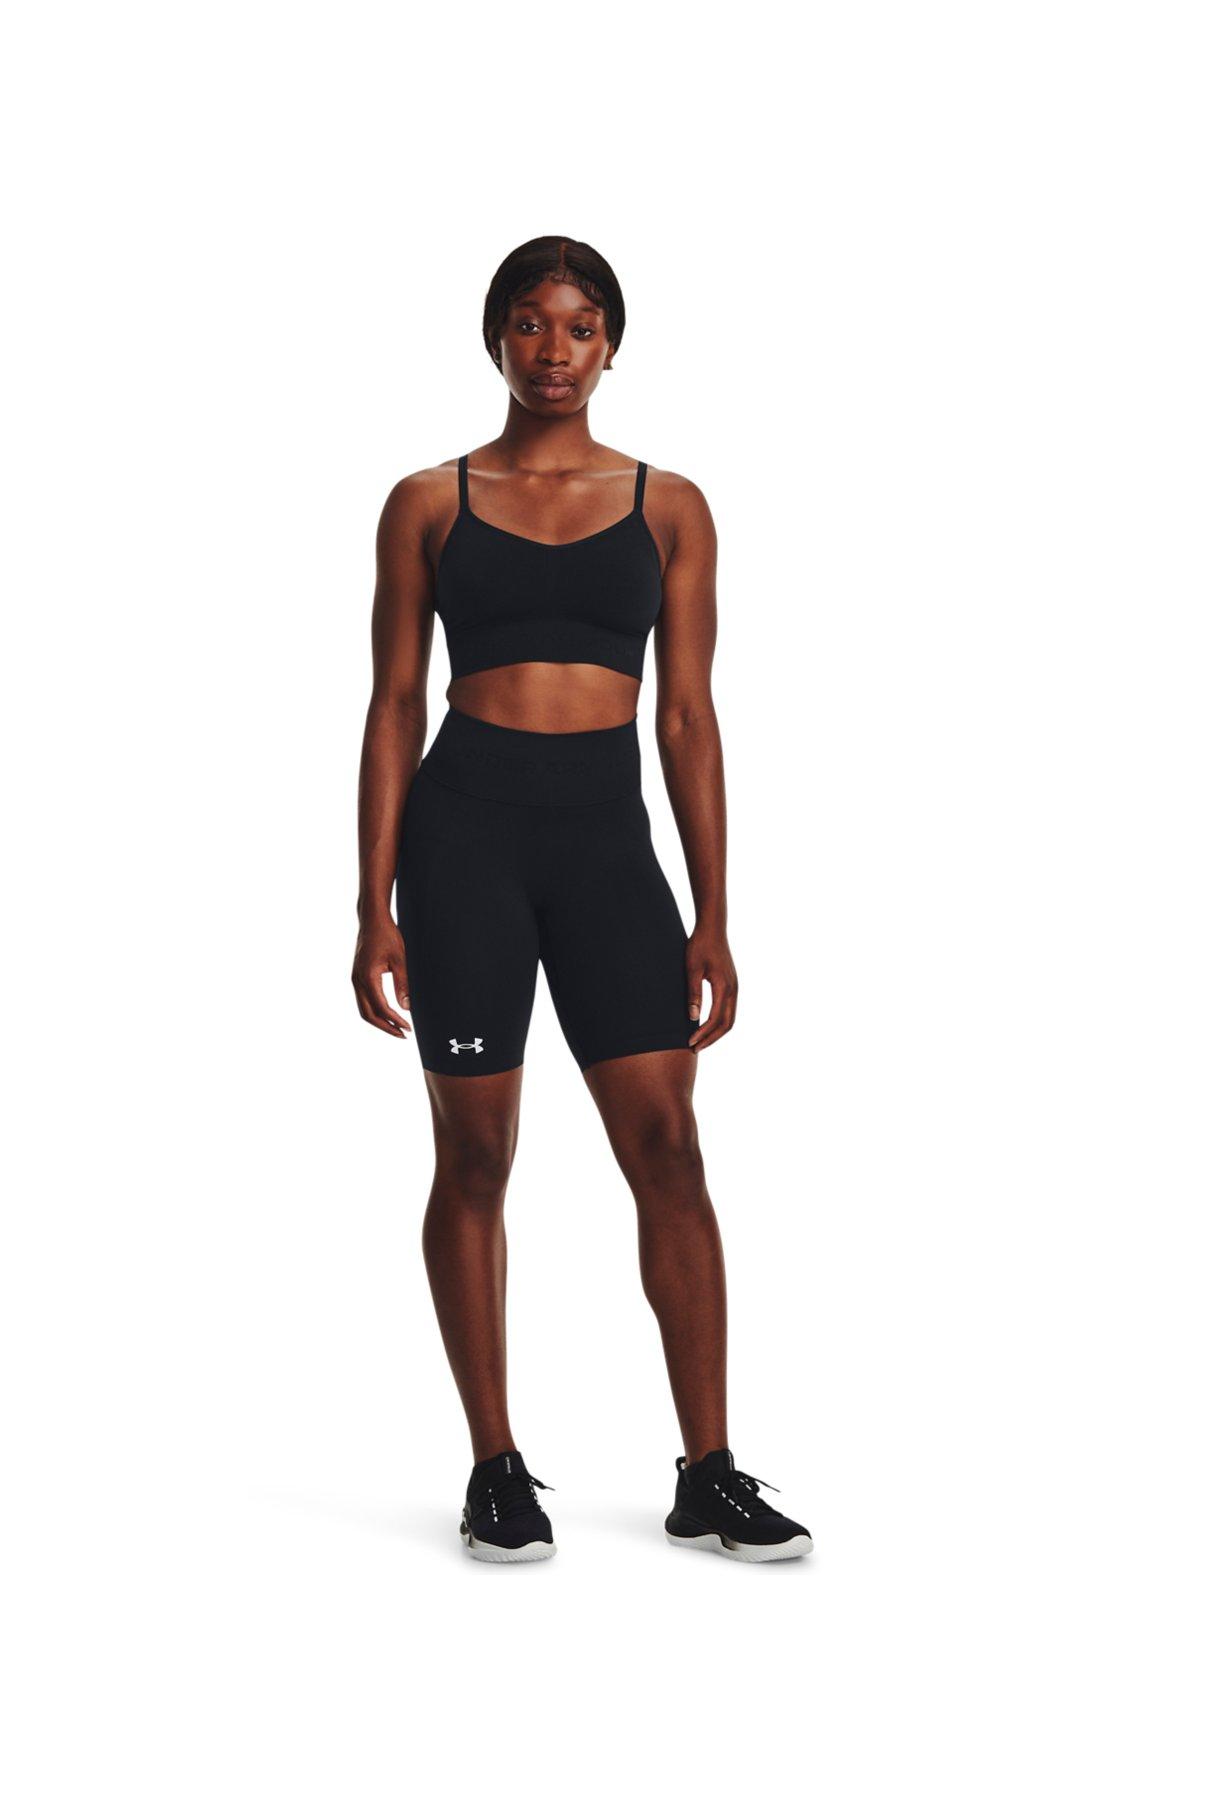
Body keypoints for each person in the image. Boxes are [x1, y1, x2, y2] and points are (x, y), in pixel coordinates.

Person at [352, 236, 811, 1564]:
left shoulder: (669, 506)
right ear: (493, 337)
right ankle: (495, 1467)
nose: (553, 350)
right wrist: (372, 903)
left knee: (669, 1149)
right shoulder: (427, 501)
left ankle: (707, 1472)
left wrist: (711, 911)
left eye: (580, 327)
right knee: (475, 1157)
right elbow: (392, 704)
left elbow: (689, 717)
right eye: (529, 324)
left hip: (609, 851)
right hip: (464, 845)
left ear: (612, 345)